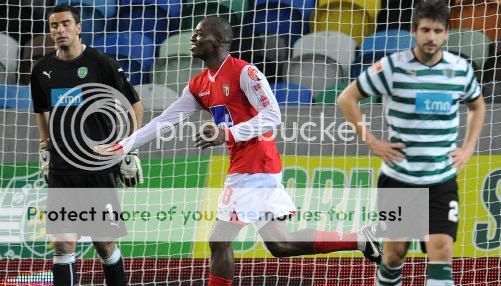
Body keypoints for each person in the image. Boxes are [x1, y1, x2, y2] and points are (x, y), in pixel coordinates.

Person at [97, 16, 382, 285]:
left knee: (219, 240)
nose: (193, 39)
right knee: (280, 244)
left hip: (255, 165)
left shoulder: (245, 72)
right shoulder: (198, 84)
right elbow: (164, 120)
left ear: (219, 40)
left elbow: (273, 115)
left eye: (200, 34)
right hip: (250, 165)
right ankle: (361, 239)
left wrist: (227, 133)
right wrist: (122, 147)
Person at [337, 1, 486, 285]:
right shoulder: (392, 67)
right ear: (414, 31)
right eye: (426, 30)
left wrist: (468, 148)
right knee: (394, 255)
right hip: (400, 179)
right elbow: (346, 98)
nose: (431, 37)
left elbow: (477, 106)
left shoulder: (460, 69)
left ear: (446, 33)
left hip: (441, 178)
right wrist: (372, 141)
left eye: (438, 31)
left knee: (441, 249)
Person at [30, 4, 144, 286]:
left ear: (78, 27)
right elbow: (41, 112)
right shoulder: (42, 70)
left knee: (103, 243)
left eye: (66, 24)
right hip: (61, 167)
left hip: (97, 165)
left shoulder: (100, 63)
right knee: (63, 244)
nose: (60, 30)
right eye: (54, 26)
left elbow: (135, 105)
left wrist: (131, 148)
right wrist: (45, 148)